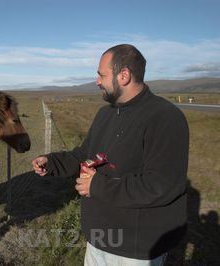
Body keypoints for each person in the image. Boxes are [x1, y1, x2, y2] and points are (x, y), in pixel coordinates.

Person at [32, 44, 189, 265]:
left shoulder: (165, 118)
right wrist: (52, 163)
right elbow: (84, 155)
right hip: (98, 239)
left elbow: (162, 185)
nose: (97, 81)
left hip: (135, 248)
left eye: (101, 75)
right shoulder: (106, 113)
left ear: (124, 75)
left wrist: (97, 186)